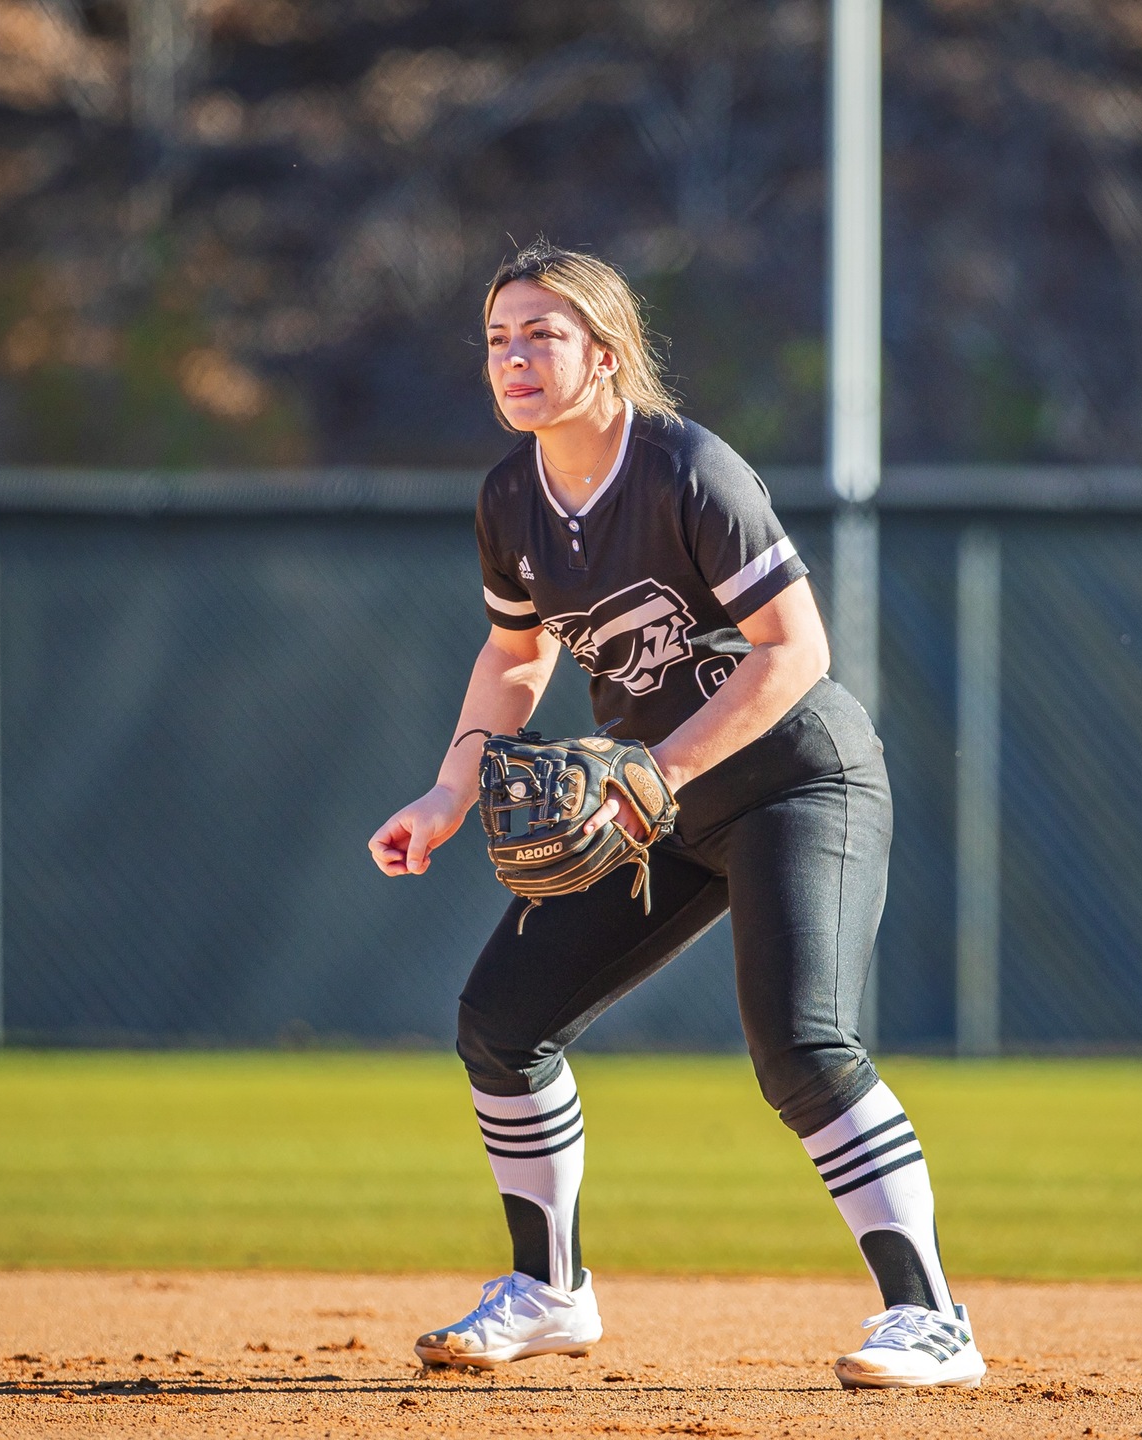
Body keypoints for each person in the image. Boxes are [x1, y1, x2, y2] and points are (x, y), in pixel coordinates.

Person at [367, 242, 982, 1390]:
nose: (512, 358)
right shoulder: (513, 496)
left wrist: (655, 771)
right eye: (498, 339)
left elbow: (794, 651)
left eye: (540, 335)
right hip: (649, 804)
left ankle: (931, 1315)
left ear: (605, 356)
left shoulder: (688, 470)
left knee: (801, 1047)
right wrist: (450, 790)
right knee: (501, 1023)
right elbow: (516, 651)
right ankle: (549, 1293)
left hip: (794, 781)